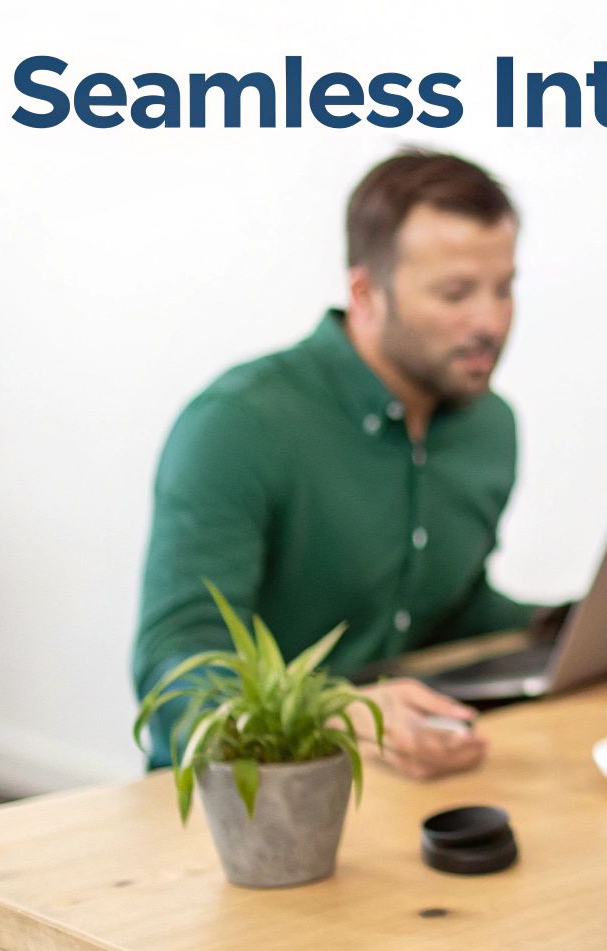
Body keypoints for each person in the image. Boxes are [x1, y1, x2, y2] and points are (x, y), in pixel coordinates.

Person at [132, 149, 549, 781]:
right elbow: (178, 667)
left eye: (504, 287)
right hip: (248, 797)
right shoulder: (237, 425)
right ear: (365, 293)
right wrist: (329, 714)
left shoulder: (489, 426)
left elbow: (444, 609)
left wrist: (585, 623)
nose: (490, 321)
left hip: (398, 781)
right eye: (456, 293)